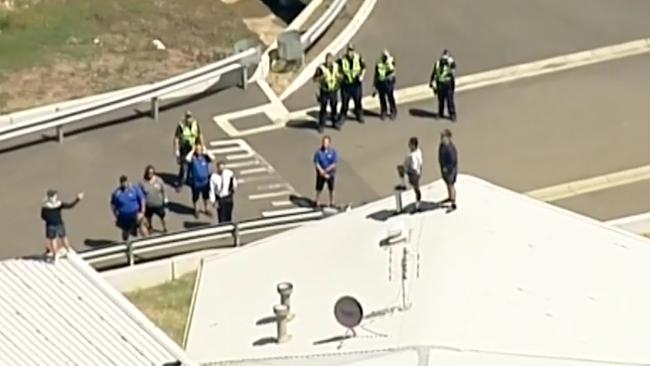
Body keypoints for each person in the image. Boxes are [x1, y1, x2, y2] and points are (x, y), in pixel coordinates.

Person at [40, 189, 84, 261]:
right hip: (59, 224)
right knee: (63, 238)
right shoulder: (59, 204)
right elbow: (70, 206)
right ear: (55, 196)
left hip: (50, 225)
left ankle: (55, 255)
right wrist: (78, 199)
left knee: (53, 240)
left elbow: (43, 217)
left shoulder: (45, 207)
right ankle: (68, 251)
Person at [111, 175, 149, 241]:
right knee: (125, 231)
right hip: (124, 216)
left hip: (135, 213)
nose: (124, 184)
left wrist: (142, 212)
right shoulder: (117, 193)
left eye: (125, 182)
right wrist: (115, 214)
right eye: (122, 182)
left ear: (127, 181)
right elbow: (113, 204)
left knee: (142, 225)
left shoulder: (134, 189)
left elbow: (142, 199)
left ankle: (148, 241)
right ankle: (126, 244)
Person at [173, 110, 204, 190]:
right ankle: (181, 183)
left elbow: (200, 135)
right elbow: (176, 138)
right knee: (184, 166)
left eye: (190, 117)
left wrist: (202, 146)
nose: (188, 119)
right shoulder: (181, 125)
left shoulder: (195, 124)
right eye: (187, 117)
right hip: (184, 149)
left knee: (192, 166)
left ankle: (189, 180)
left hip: (193, 148)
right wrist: (176, 150)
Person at [313, 53, 342, 132]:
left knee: (334, 107)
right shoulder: (321, 68)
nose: (328, 61)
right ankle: (321, 125)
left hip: (333, 90)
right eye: (327, 59)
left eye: (330, 59)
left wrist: (339, 77)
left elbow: (340, 75)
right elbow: (315, 79)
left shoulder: (336, 66)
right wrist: (322, 77)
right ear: (325, 60)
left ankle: (335, 122)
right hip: (325, 91)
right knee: (323, 109)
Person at [338, 44, 366, 123]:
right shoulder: (342, 59)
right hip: (346, 85)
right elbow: (336, 70)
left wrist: (361, 76)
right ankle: (343, 116)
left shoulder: (358, 58)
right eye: (349, 50)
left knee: (358, 101)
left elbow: (363, 68)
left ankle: (359, 114)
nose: (350, 52)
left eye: (351, 50)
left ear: (354, 51)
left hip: (356, 84)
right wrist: (341, 77)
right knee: (344, 103)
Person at [186, 144, 213, 218]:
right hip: (196, 182)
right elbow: (187, 158)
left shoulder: (205, 157)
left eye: (200, 149)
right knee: (195, 197)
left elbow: (212, 158)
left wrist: (206, 150)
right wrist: (192, 150)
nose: (198, 151)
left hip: (205, 182)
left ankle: (206, 208)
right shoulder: (193, 158)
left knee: (206, 197)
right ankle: (196, 209)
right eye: (197, 149)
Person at [430, 49, 457, 121]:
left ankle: (452, 114)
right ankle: (440, 113)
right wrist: (431, 82)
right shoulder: (438, 63)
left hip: (448, 84)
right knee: (440, 100)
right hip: (440, 84)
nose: (444, 61)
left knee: (450, 100)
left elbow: (453, 69)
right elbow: (434, 72)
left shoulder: (450, 63)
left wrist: (449, 62)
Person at [397, 137, 423, 211]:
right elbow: (420, 164)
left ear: (414, 145)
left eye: (410, 144)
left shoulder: (412, 155)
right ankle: (418, 204)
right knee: (416, 188)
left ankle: (404, 185)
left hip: (413, 173)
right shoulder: (417, 152)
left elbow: (415, 165)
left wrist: (407, 169)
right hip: (415, 172)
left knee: (416, 188)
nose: (409, 145)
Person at [140, 165, 168, 233]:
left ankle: (165, 228)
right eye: (149, 173)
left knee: (162, 217)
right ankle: (150, 227)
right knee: (148, 217)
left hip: (158, 204)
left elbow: (163, 189)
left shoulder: (159, 180)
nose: (150, 174)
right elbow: (140, 194)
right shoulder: (143, 182)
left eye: (152, 173)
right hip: (148, 205)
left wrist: (165, 198)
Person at [313, 135, 338, 207]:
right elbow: (316, 162)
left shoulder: (333, 152)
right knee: (319, 188)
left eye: (326, 143)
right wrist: (321, 171)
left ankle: (332, 202)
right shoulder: (318, 152)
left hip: (330, 174)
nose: (324, 144)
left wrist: (327, 170)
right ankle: (317, 202)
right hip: (321, 174)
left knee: (331, 189)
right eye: (323, 142)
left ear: (329, 143)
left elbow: (334, 163)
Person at [373, 49, 397, 120]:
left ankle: (393, 111)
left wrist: (388, 61)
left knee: (390, 97)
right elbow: (376, 74)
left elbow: (393, 71)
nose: (385, 57)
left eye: (386, 56)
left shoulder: (390, 61)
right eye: (384, 56)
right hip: (381, 83)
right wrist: (374, 84)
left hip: (388, 82)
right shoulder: (378, 63)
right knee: (382, 98)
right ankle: (384, 111)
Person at [438, 129, 458, 211]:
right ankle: (449, 197)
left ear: (448, 138)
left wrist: (447, 168)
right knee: (447, 184)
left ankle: (453, 203)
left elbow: (453, 161)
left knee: (451, 185)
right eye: (441, 137)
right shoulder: (442, 146)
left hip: (450, 170)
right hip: (444, 169)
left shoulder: (450, 148)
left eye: (443, 137)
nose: (442, 138)